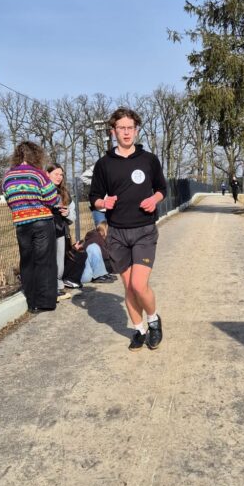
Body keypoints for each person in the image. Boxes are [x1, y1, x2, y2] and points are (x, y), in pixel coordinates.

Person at [89, 107, 167, 351]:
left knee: (139, 285)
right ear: (113, 131)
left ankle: (153, 321)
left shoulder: (149, 160)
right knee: (129, 286)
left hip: (144, 230)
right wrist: (104, 203)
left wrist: (154, 199)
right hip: (117, 233)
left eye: (130, 128)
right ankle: (139, 330)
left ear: (136, 130)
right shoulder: (104, 164)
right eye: (121, 128)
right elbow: (94, 197)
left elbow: (162, 189)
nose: (126, 132)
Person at [2, 140, 59, 312]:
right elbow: (52, 198)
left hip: (21, 224)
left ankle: (32, 303)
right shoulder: (38, 174)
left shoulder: (7, 177)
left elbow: (9, 200)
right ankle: (46, 302)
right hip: (42, 221)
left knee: (27, 262)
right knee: (45, 261)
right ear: (36, 155)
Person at [46, 164, 74, 302]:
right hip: (45, 230)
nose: (59, 177)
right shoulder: (43, 190)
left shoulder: (64, 192)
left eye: (61, 174)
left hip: (60, 229)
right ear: (47, 174)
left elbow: (73, 214)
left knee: (59, 260)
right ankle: (50, 288)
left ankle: (58, 286)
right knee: (49, 259)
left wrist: (67, 213)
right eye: (56, 174)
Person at [64, 223, 117, 287]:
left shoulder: (97, 238)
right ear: (105, 231)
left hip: (86, 274)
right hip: (80, 275)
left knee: (92, 248)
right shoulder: (96, 239)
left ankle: (100, 275)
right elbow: (105, 256)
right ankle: (99, 275)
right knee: (93, 247)